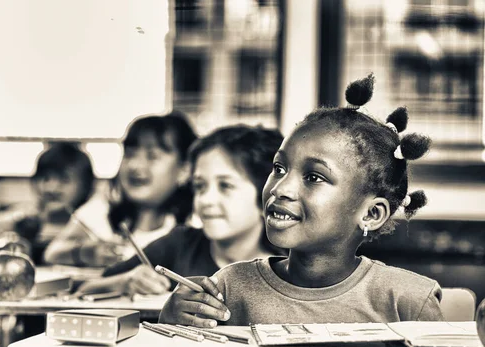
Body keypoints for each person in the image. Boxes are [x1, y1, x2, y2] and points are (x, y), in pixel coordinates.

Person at [159, 74, 444, 327]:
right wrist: (171, 322)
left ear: (370, 214)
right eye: (279, 169)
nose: (281, 188)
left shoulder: (408, 301)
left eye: (314, 177)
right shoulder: (228, 289)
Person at [70, 125, 287, 297]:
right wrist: (125, 282)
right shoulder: (178, 245)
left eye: (225, 186)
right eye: (200, 186)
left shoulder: (290, 263)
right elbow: (84, 288)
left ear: (266, 194)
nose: (206, 199)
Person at [43, 111, 197, 267]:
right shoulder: (103, 211)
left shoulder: (195, 223)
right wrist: (85, 253)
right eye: (130, 154)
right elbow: (52, 253)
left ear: (184, 170)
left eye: (152, 156)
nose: (135, 166)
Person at [0, 142, 95, 245]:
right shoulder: (24, 218)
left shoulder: (95, 221)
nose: (51, 188)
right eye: (45, 178)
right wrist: (5, 224)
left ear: (86, 185)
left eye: (64, 180)